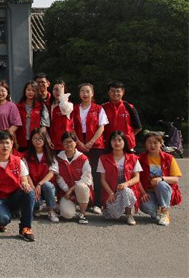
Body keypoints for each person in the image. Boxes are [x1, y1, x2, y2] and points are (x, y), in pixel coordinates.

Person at [0, 130, 36, 242]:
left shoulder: (19, 162)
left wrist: (25, 183)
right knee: (3, 219)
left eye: (7, 142)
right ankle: (0, 221)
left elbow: (24, 181)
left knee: (29, 192)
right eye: (1, 143)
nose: (5, 146)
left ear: (12, 144)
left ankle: (25, 227)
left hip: (14, 197)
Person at [72, 83, 108, 213]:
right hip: (79, 142)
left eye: (88, 91)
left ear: (92, 93)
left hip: (95, 144)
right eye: (82, 91)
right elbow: (71, 127)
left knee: (96, 174)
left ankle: (97, 203)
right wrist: (78, 142)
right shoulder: (74, 108)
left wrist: (91, 142)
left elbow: (102, 127)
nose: (85, 94)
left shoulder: (98, 108)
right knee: (80, 173)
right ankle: (82, 201)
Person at [137, 131, 183, 226]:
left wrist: (161, 179)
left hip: (165, 190)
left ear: (161, 143)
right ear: (145, 144)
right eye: (149, 142)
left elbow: (176, 179)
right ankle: (159, 214)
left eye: (155, 142)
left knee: (161, 184)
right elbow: (136, 178)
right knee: (143, 204)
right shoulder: (140, 159)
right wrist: (143, 193)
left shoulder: (169, 158)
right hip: (149, 192)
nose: (152, 145)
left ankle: (164, 211)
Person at [97, 131, 141, 225]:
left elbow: (137, 177)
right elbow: (102, 179)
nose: (117, 143)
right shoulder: (103, 158)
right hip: (111, 192)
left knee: (126, 190)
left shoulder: (133, 158)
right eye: (114, 140)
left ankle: (129, 214)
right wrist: (110, 192)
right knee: (113, 216)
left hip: (128, 189)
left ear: (124, 142)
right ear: (110, 142)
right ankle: (120, 209)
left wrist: (126, 184)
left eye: (120, 140)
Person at [54, 131, 93, 224]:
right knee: (67, 215)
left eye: (70, 142)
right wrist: (67, 190)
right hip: (65, 192)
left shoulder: (83, 158)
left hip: (80, 190)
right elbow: (59, 178)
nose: (68, 144)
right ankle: (66, 206)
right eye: (65, 142)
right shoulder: (58, 158)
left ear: (75, 143)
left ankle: (82, 213)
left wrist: (71, 190)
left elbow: (86, 178)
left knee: (81, 186)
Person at [24, 130, 59, 222]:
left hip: (46, 186)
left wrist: (39, 184)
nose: (38, 141)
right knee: (34, 200)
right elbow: (26, 174)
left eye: (40, 138)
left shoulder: (50, 154)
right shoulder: (26, 155)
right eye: (35, 138)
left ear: (44, 140)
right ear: (31, 140)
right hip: (33, 185)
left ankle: (51, 210)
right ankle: (37, 207)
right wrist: (33, 187)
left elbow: (51, 173)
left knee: (47, 185)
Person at [102, 81, 142, 152]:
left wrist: (128, 137)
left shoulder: (129, 107)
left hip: (128, 145)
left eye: (118, 91)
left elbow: (138, 127)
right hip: (108, 145)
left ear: (123, 92)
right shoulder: (102, 108)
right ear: (108, 92)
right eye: (112, 91)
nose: (115, 93)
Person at [16, 81, 50, 153]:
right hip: (21, 140)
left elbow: (44, 126)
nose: (30, 92)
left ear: (36, 92)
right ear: (25, 91)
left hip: (36, 140)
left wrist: (39, 138)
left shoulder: (41, 106)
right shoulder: (17, 106)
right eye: (28, 90)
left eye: (33, 90)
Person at [49, 80, 74, 151]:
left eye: (60, 89)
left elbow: (65, 109)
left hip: (66, 142)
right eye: (55, 89)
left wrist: (62, 95)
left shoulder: (69, 104)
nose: (58, 92)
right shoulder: (50, 105)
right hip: (53, 142)